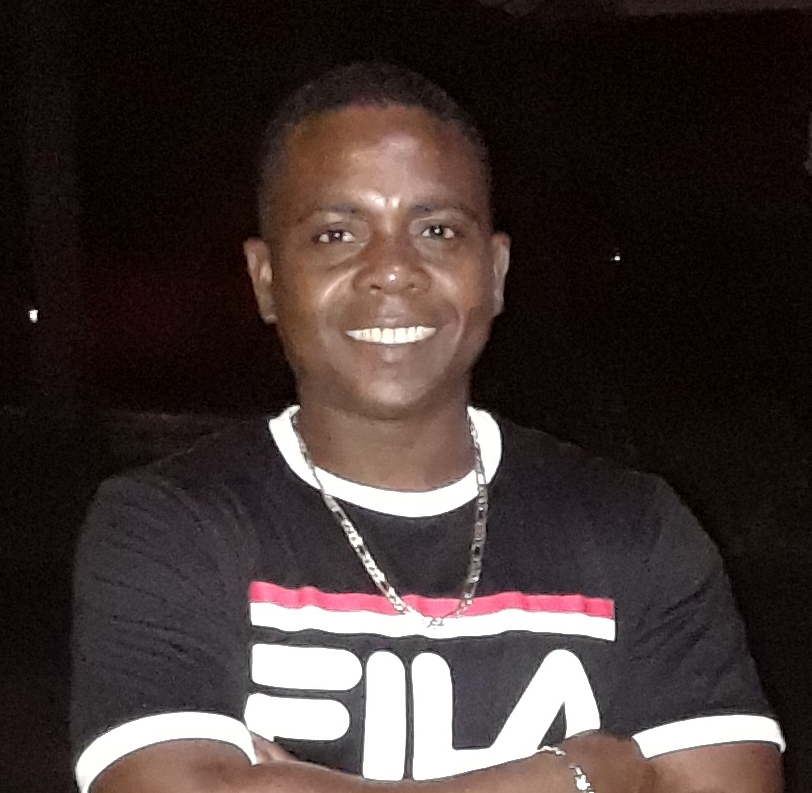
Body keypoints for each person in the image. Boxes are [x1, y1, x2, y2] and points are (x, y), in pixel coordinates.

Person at [71, 62, 783, 793]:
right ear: (267, 280)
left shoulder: (637, 528)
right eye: (336, 234)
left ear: (495, 272)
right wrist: (569, 774)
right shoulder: (169, 524)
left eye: (437, 230)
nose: (392, 270)